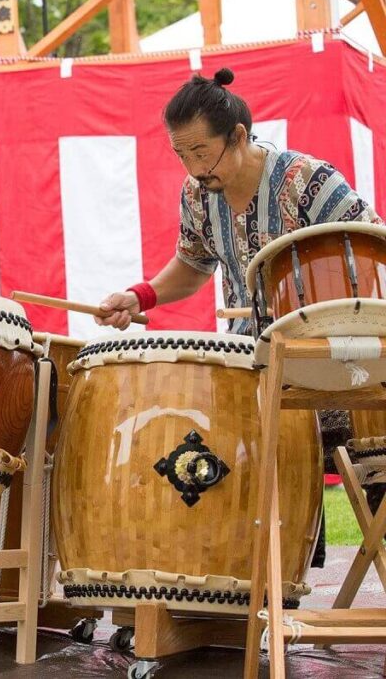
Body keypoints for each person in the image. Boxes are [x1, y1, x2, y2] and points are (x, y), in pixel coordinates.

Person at [95, 67, 385, 567]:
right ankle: (277, 582)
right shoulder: (197, 196)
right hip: (255, 358)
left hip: (330, 357)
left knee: (373, 459)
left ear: (239, 137)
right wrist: (140, 296)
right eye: (180, 154)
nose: (192, 167)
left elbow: (372, 243)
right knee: (235, 459)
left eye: (201, 152)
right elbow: (192, 264)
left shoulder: (306, 181)